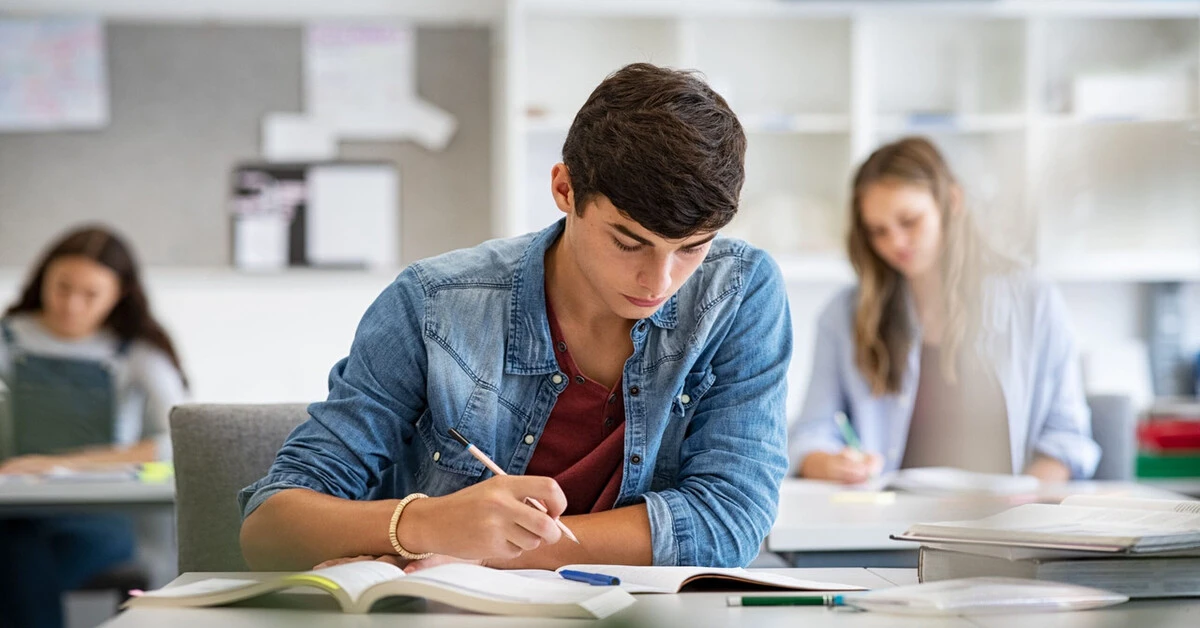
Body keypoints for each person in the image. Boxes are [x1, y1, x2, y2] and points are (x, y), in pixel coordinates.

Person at [238, 63, 792, 572]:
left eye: (692, 248)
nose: (660, 280)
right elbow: (270, 528)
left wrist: (485, 557)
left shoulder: (739, 292)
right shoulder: (433, 304)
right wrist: (430, 523)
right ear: (564, 188)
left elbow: (728, 523)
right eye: (629, 242)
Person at [789, 137, 1098, 485]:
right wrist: (831, 464)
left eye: (909, 221)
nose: (895, 243)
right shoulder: (844, 314)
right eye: (878, 231)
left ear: (952, 201)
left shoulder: (1034, 300)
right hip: (887, 529)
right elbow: (809, 436)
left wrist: (1021, 504)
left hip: (1005, 528)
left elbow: (1067, 440)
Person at [0, 226, 188, 628]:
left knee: (17, 558)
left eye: (90, 294)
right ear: (41, 279)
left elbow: (181, 436)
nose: (71, 305)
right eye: (62, 287)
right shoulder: (8, 338)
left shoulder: (135, 351)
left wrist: (60, 464)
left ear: (119, 294)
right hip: (15, 510)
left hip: (101, 519)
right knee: (17, 545)